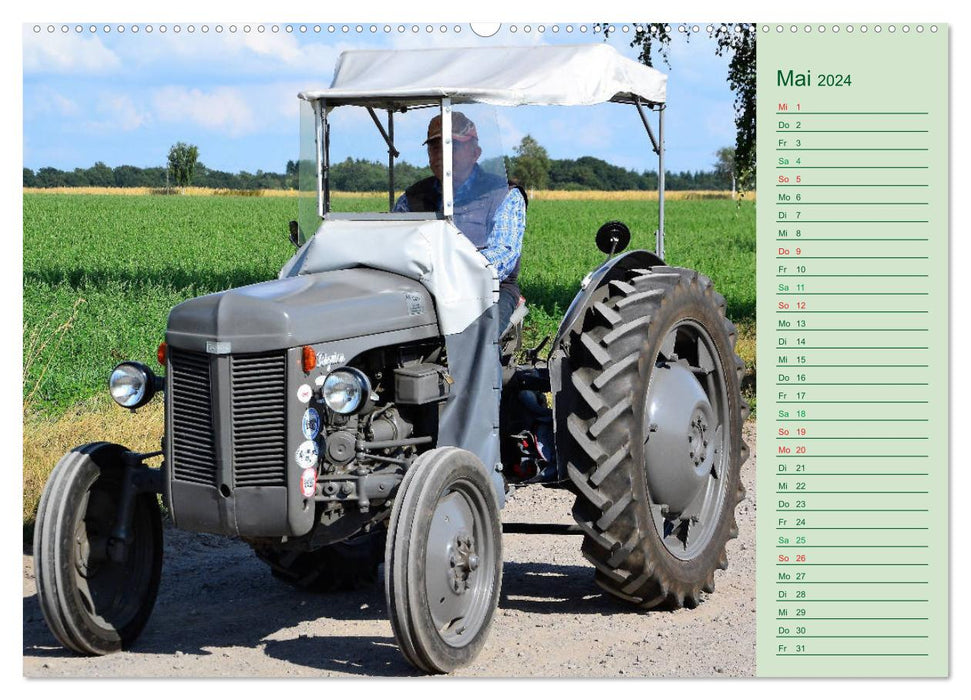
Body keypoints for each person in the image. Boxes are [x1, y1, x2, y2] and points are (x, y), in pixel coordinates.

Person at [393, 112, 526, 336]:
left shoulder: (505, 194)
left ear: (476, 153)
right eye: (435, 147)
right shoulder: (411, 198)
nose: (441, 155)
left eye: (452, 146)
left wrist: (445, 272)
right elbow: (394, 246)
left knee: (479, 339)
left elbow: (502, 256)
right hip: (421, 289)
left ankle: (484, 370)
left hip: (489, 291)